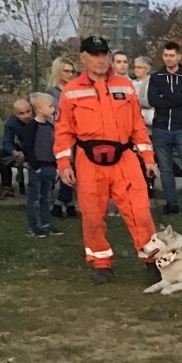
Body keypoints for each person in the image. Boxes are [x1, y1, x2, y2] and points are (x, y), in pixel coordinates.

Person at [54, 36, 159, 285]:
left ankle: (152, 261)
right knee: (91, 216)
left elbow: (137, 125)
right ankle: (101, 263)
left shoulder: (125, 85)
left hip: (124, 158)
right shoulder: (71, 91)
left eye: (104, 54)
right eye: (94, 54)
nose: (101, 60)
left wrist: (148, 158)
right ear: (83, 58)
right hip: (88, 161)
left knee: (141, 213)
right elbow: (63, 131)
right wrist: (64, 164)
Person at [148, 41, 182, 218]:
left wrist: (167, 96)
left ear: (178, 56)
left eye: (171, 55)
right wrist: (176, 98)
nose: (168, 58)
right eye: (165, 55)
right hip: (161, 128)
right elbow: (154, 100)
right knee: (166, 168)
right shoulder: (156, 77)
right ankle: (171, 203)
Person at [22, 93, 62, 238]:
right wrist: (35, 166)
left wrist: (56, 166)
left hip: (50, 167)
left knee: (46, 197)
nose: (53, 109)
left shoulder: (51, 126)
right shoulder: (32, 127)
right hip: (37, 168)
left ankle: (46, 224)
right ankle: (33, 227)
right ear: (39, 108)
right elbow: (28, 147)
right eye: (50, 106)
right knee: (34, 198)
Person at [46, 57, 78, 218]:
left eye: (72, 71)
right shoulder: (51, 94)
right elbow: (51, 116)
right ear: (58, 71)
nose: (70, 74)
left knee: (73, 170)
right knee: (65, 169)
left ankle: (67, 204)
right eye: (66, 71)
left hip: (76, 135)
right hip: (58, 134)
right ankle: (59, 204)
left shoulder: (75, 90)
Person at [0, 99, 31, 200]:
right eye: (22, 113)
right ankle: (7, 187)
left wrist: (28, 154)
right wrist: (15, 152)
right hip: (22, 148)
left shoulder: (39, 118)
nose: (26, 115)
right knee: (2, 154)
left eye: (28, 111)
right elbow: (7, 142)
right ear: (15, 114)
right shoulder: (10, 122)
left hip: (37, 148)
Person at [132, 56, 155, 130]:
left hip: (149, 122)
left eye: (139, 67)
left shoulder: (152, 83)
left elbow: (151, 102)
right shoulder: (131, 83)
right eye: (135, 67)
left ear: (148, 69)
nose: (136, 70)